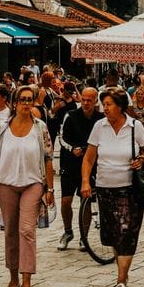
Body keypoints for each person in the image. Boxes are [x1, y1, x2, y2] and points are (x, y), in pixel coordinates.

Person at [80, 88, 144, 287]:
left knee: (127, 232)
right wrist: (86, 181)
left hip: (130, 187)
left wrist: (141, 159)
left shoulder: (134, 126)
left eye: (109, 104)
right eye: (104, 105)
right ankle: (122, 270)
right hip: (104, 187)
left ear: (120, 106)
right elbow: (89, 158)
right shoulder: (99, 127)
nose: (106, 108)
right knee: (113, 233)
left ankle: (121, 279)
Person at [0, 86, 56, 287]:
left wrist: (50, 188)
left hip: (33, 183)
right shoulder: (3, 127)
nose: (27, 104)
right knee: (10, 230)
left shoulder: (40, 128)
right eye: (23, 100)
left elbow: (48, 158)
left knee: (26, 230)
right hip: (6, 184)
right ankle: (13, 277)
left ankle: (27, 280)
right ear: (14, 103)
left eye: (30, 100)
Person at [55, 86, 101, 250]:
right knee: (66, 201)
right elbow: (61, 137)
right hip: (70, 162)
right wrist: (72, 149)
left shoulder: (100, 119)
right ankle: (68, 231)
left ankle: (84, 236)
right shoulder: (71, 115)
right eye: (84, 100)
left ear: (96, 101)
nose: (86, 103)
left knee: (86, 201)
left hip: (90, 165)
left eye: (90, 100)